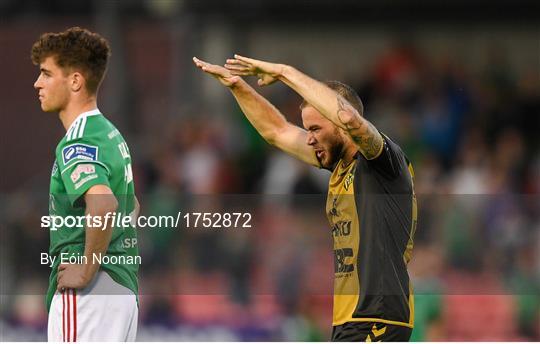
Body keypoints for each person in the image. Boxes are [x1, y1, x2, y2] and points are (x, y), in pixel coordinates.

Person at [193, 55, 417, 341]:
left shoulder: (382, 162)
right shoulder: (340, 166)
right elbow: (277, 131)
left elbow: (348, 117)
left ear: (340, 126)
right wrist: (238, 87)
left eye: (315, 129)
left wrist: (286, 73)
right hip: (353, 318)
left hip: (379, 316)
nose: (309, 138)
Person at [32, 27, 139, 341]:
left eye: (46, 74)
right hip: (120, 289)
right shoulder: (110, 134)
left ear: (75, 81)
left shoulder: (77, 140)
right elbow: (131, 206)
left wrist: (87, 268)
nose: (37, 83)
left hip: (90, 292)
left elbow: (104, 204)